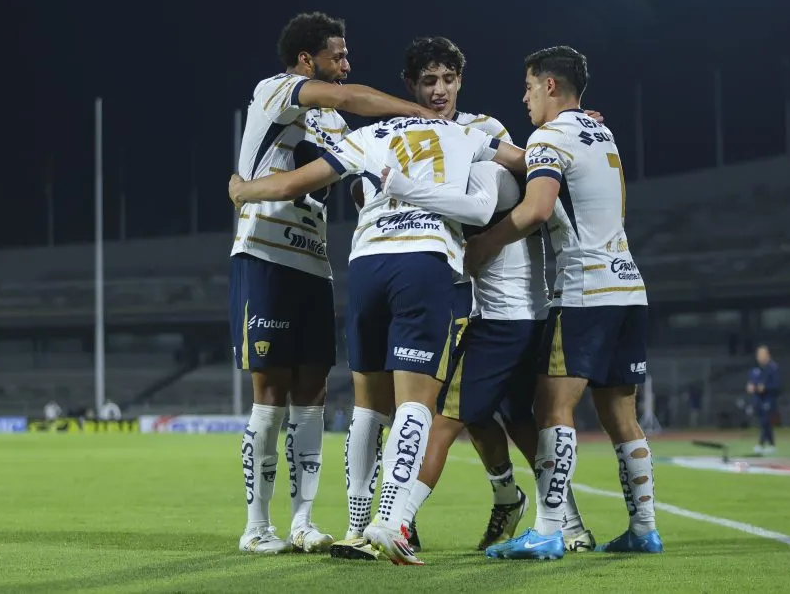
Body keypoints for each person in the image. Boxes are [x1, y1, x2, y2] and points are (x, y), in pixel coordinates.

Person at [229, 114, 527, 565]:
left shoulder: (370, 134)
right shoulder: (468, 133)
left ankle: (355, 527)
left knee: (368, 405)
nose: (439, 90)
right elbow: (524, 169)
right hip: (426, 258)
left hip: (367, 260)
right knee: (417, 403)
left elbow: (298, 182)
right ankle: (388, 521)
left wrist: (242, 190)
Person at [352, 37, 593, 555]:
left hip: (496, 301)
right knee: (493, 415)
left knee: (443, 411)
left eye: (447, 80)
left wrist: (572, 134)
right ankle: (534, 507)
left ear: (460, 81)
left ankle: (399, 520)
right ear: (411, 87)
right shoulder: (404, 135)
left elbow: (527, 174)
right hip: (463, 289)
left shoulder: (480, 131)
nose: (439, 90)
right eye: (428, 82)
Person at [232, 11, 440, 555]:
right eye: (338, 56)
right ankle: (257, 526)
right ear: (308, 61)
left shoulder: (332, 126)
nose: (346, 65)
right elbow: (353, 99)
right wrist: (418, 109)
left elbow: (360, 173)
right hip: (265, 252)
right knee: (270, 392)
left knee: (313, 394)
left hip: (314, 262)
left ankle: (302, 521)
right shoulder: (277, 90)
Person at [464, 45, 662, 560]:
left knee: (551, 407)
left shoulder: (549, 136)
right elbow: (543, 166)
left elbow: (538, 206)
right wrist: (488, 147)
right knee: (623, 416)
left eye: (529, 87)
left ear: (550, 86)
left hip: (582, 291)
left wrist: (484, 245)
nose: (524, 97)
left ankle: (550, 529)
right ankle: (644, 528)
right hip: (627, 285)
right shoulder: (601, 132)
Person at [747, 345, 780, 454]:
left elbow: (777, 385)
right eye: (758, 355)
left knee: (766, 421)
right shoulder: (755, 369)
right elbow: (752, 381)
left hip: (769, 398)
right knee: (763, 422)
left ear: (767, 355)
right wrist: (751, 386)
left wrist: (766, 388)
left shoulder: (773, 368)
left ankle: (765, 444)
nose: (760, 357)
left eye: (762, 354)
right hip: (758, 399)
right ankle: (768, 444)